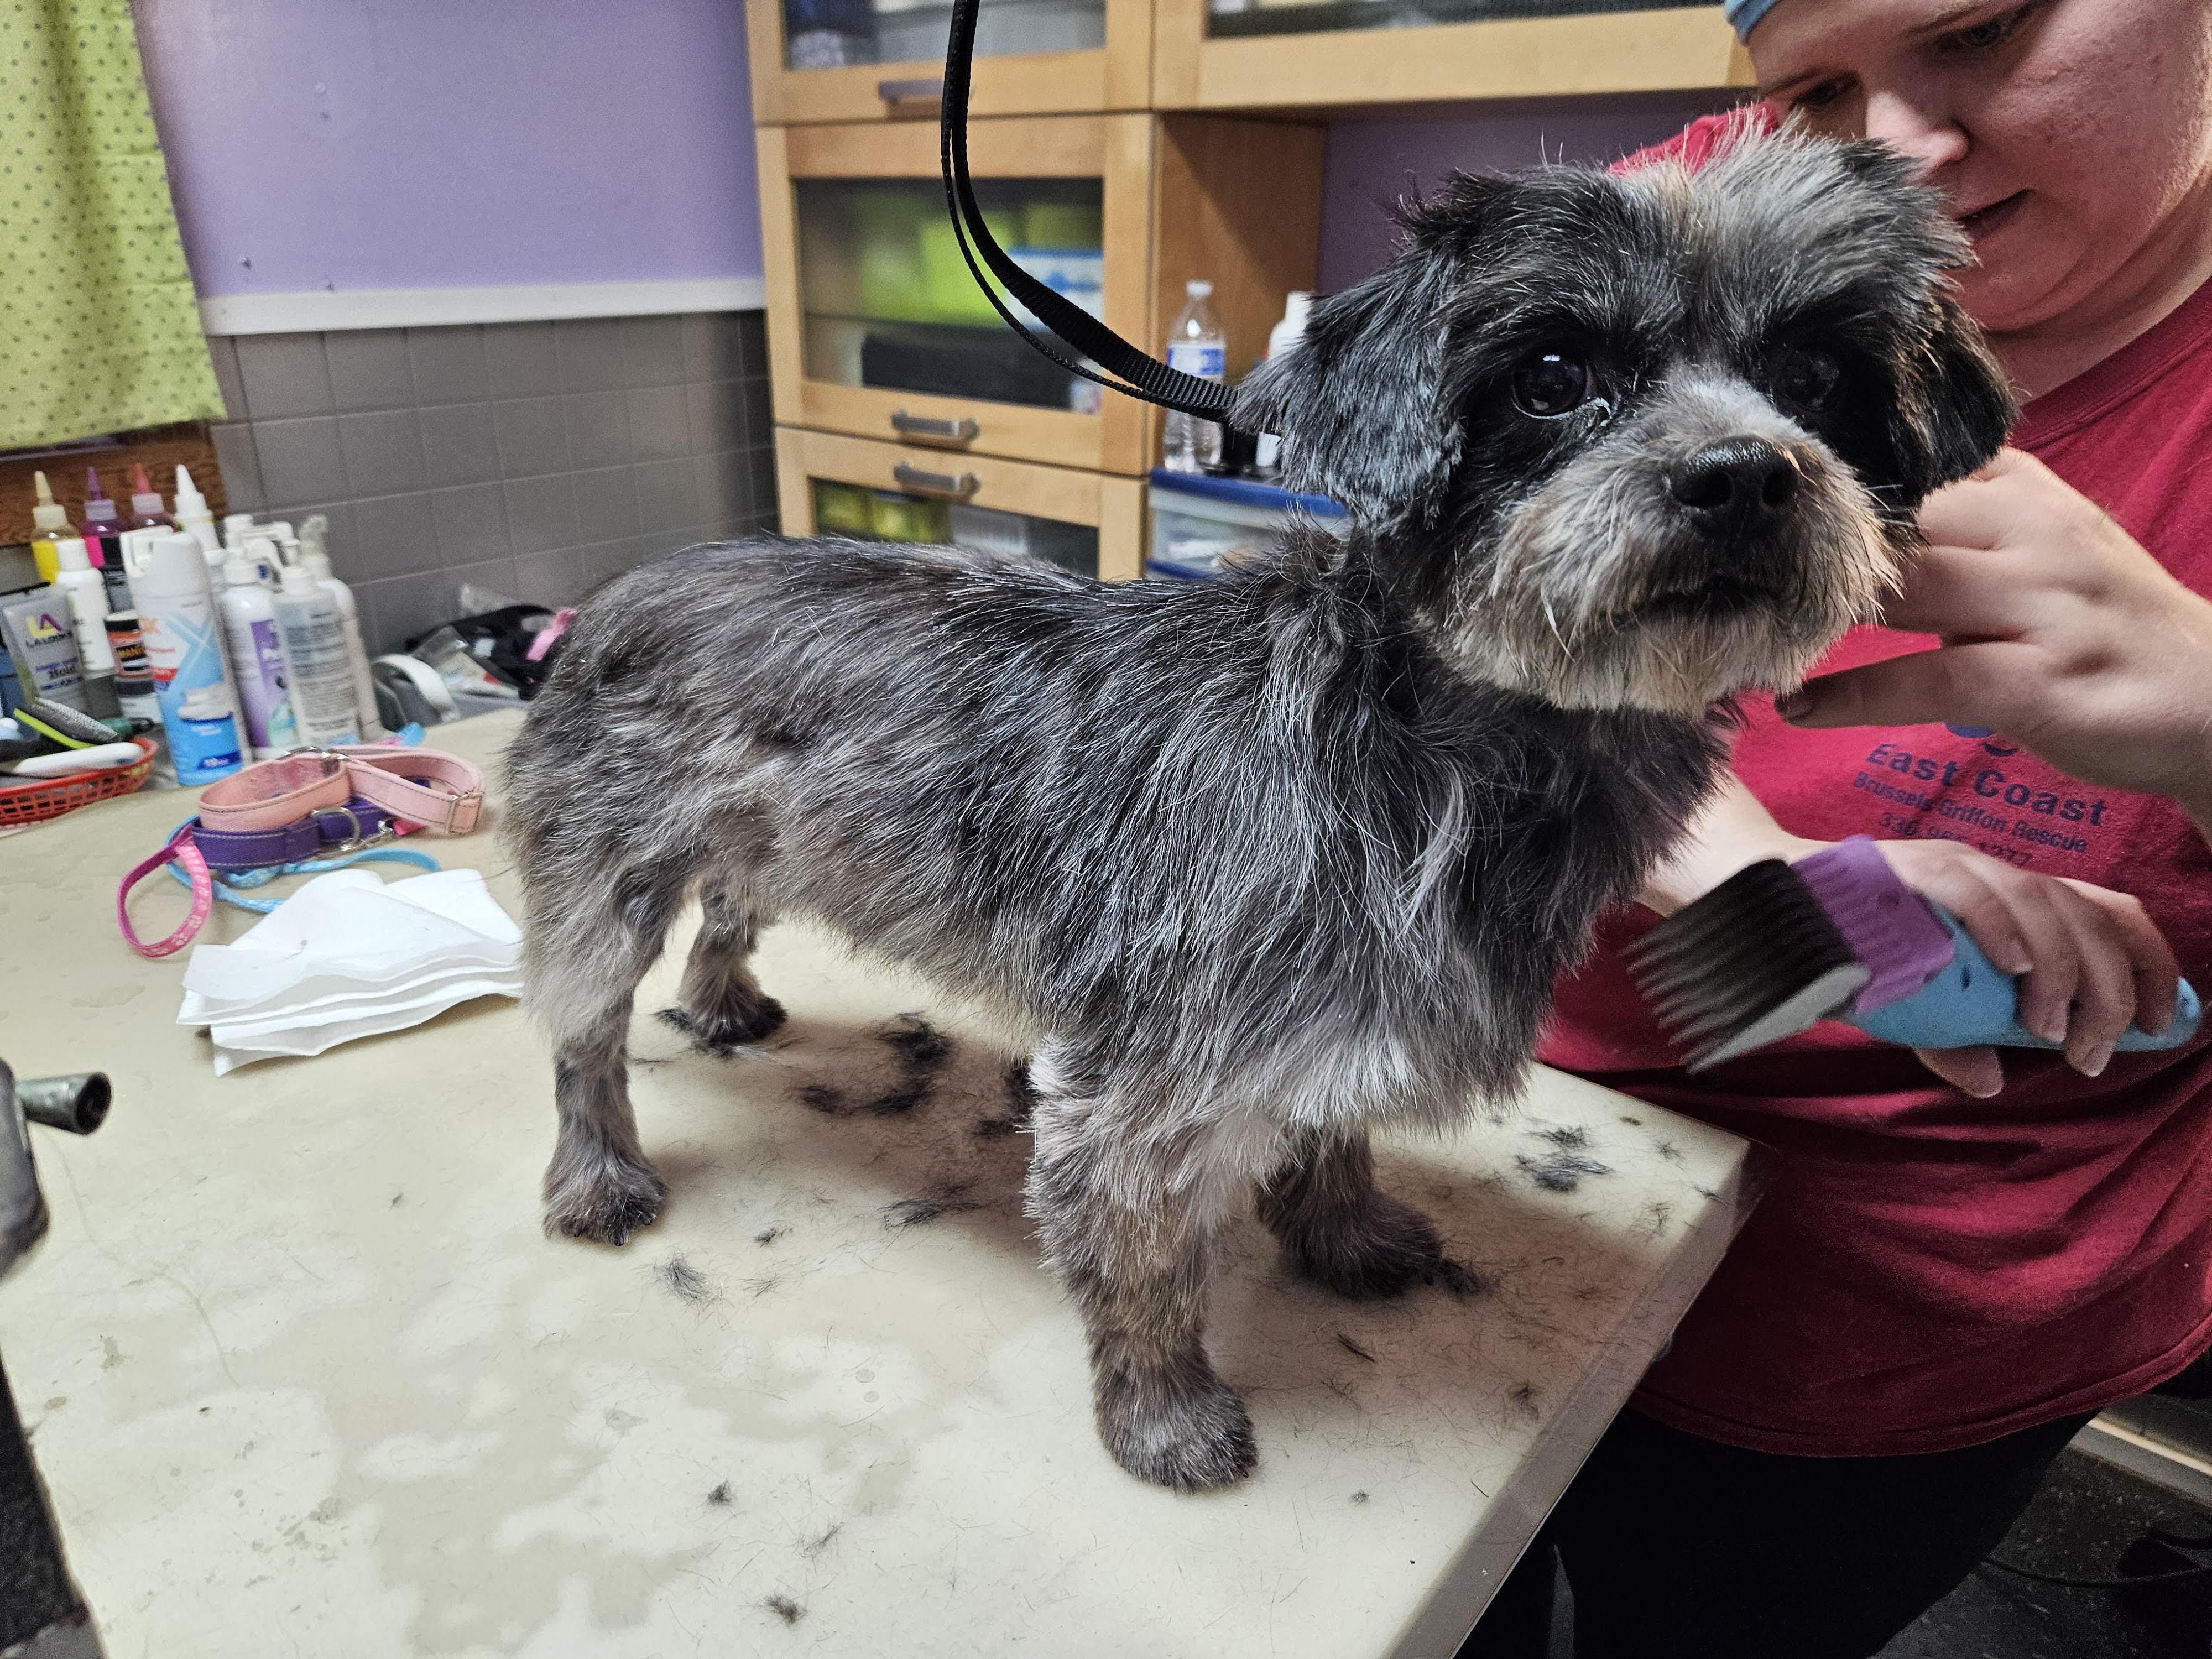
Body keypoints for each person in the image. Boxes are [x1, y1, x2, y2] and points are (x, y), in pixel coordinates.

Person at [1485, 1, 2212, 1653]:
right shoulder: (1702, 206)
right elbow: (1450, 608)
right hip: (1520, 1175)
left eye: (1980, 28)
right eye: (1813, 85)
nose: (1892, 150)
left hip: (1903, 1326)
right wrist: (1763, 880)